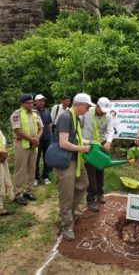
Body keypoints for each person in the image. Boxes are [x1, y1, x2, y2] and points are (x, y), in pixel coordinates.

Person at [53, 93, 94, 240]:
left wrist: (89, 142)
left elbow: (75, 138)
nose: (88, 110)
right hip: (65, 161)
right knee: (66, 194)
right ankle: (67, 225)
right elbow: (63, 143)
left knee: (83, 184)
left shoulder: (76, 117)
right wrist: (81, 149)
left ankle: (68, 212)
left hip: (75, 159)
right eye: (87, 107)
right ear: (80, 104)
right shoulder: (65, 117)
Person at [80, 97, 114, 212]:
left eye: (105, 110)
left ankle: (100, 194)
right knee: (91, 173)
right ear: (97, 106)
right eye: (101, 109)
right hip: (89, 145)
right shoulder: (87, 112)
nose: (103, 112)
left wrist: (108, 142)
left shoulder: (108, 117)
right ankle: (90, 199)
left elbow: (110, 131)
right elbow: (79, 126)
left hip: (101, 146)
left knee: (100, 170)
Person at [10, 94, 43, 205]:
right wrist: (31, 139)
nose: (31, 104)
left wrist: (37, 138)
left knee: (32, 168)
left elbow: (41, 128)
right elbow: (17, 130)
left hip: (33, 145)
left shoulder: (35, 113)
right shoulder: (16, 114)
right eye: (28, 102)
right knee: (20, 170)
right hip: (21, 145)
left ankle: (28, 191)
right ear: (22, 103)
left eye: (32, 102)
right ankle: (18, 194)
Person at [34, 94, 52, 186]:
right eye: (40, 101)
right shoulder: (33, 112)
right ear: (35, 101)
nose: (42, 102)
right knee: (36, 159)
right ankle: (35, 178)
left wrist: (51, 136)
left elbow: (49, 125)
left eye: (43, 101)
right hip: (37, 139)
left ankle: (45, 177)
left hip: (47, 138)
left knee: (47, 158)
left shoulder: (47, 112)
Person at [0, 129, 14, 216]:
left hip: (1, 157)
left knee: (2, 179)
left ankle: (1, 206)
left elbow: (2, 139)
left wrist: (3, 153)